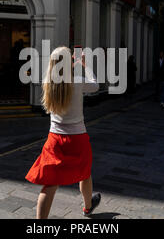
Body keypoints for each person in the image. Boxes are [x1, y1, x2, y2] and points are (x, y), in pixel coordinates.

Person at [25, 47, 101, 219]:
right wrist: (84, 64)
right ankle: (88, 207)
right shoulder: (78, 81)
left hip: (55, 139)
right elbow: (95, 85)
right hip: (78, 138)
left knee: (50, 184)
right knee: (85, 173)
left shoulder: (47, 82)